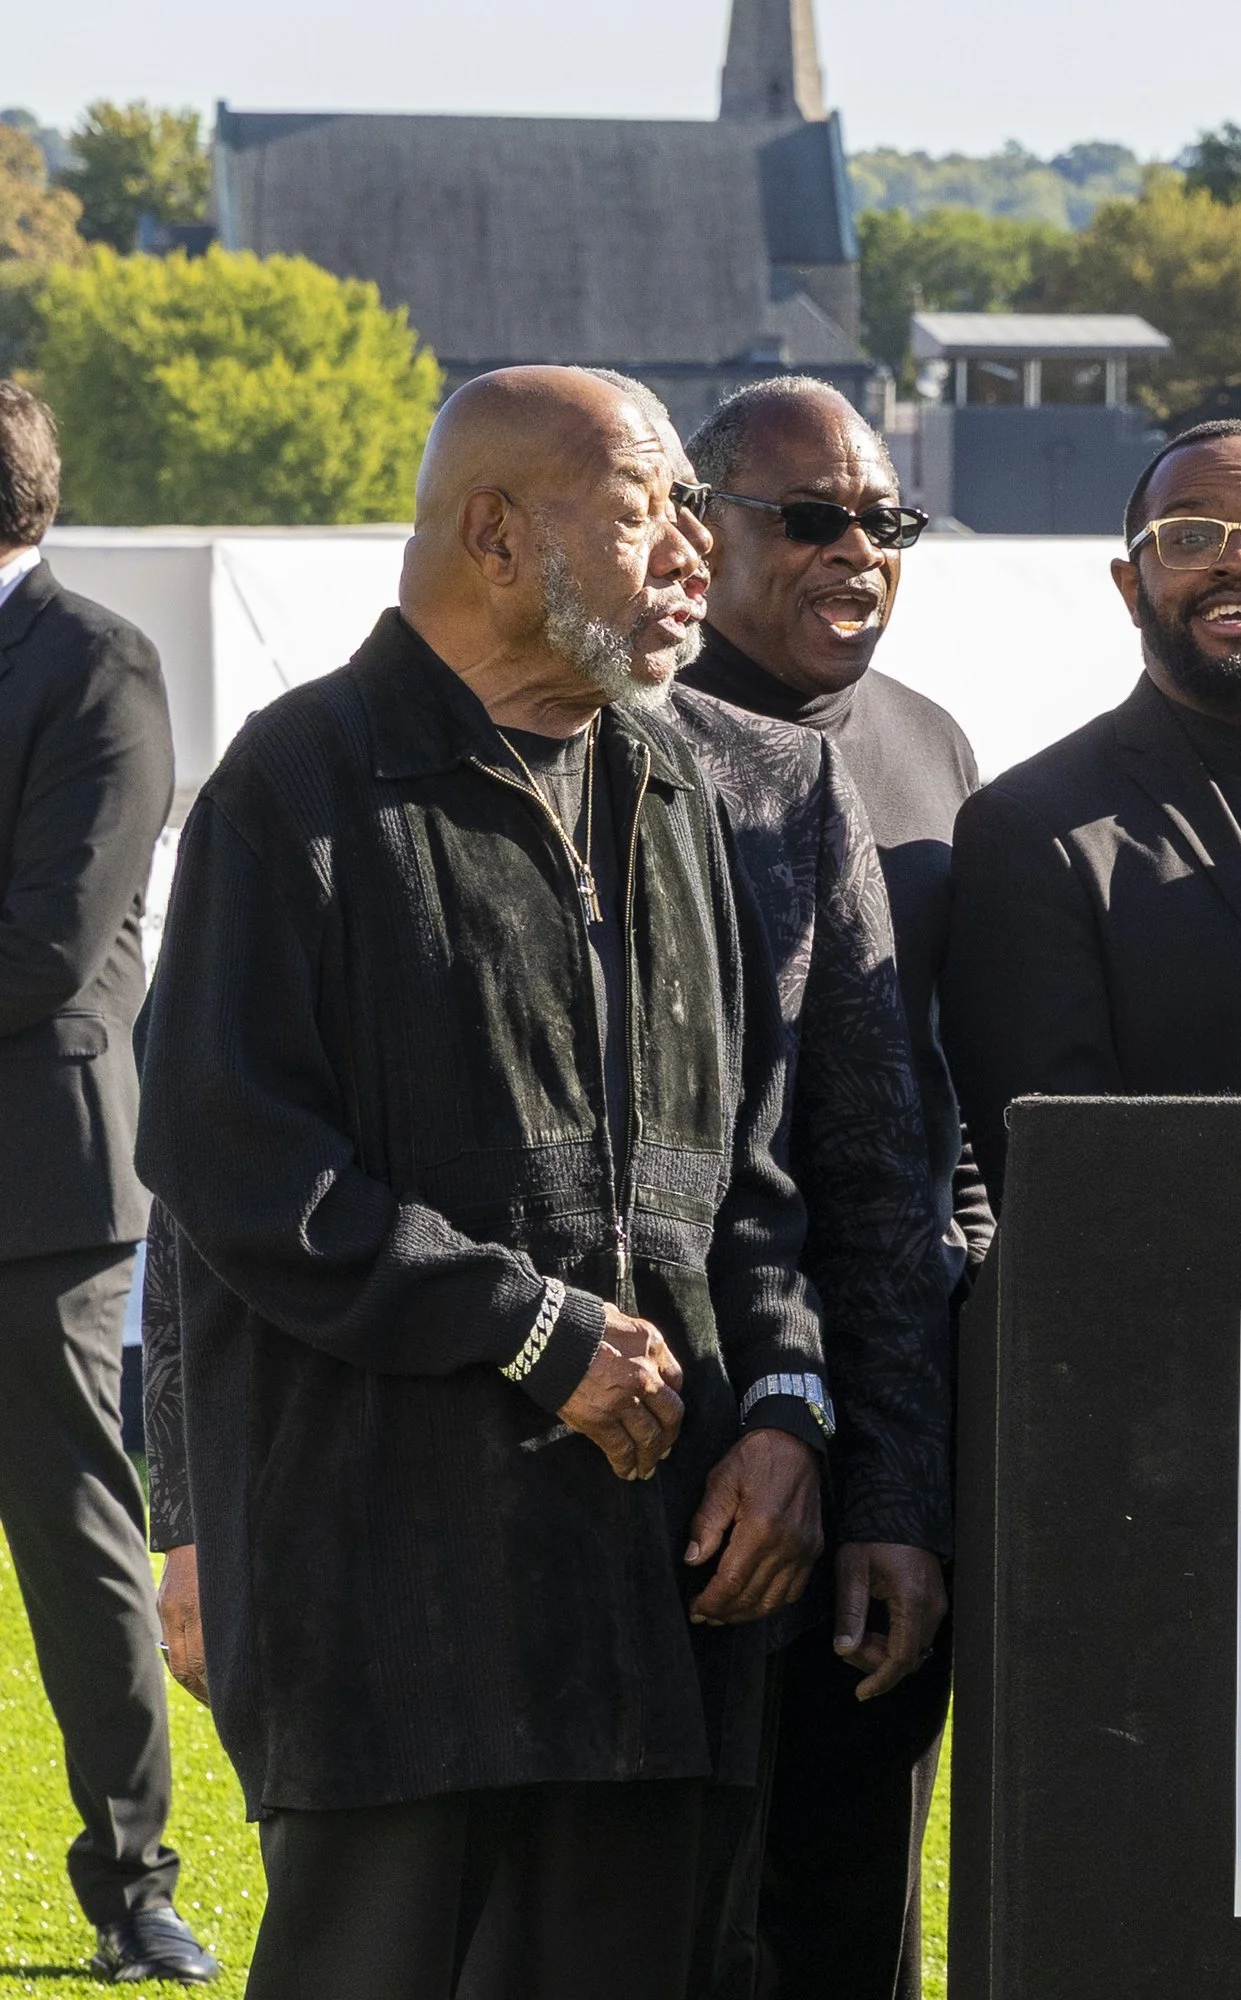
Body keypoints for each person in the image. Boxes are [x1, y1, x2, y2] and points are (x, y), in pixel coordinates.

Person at [136, 367, 831, 2000]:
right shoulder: (297, 788)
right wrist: (527, 1329)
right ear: (498, 532)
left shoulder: (678, 802)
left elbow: (753, 1182)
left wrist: (786, 1411)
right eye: (651, 502)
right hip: (390, 1621)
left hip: (655, 1615)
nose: (695, 545)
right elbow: (235, 1163)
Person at [679, 377, 966, 2000]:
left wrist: (902, 1487)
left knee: (855, 1910)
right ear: (695, 529)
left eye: (886, 520)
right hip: (679, 1423)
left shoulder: (928, 747)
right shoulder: (619, 749)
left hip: (884, 1408)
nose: (857, 549)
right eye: (810, 518)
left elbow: (935, 1130)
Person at [0, 384, 213, 1982]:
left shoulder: (96, 666)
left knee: (77, 1548)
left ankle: (134, 1885)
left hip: (32, 1185)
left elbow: (52, 952)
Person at [943, 420, 1241, 1201]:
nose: (1239, 561)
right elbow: (1056, 1171)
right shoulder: (1036, 825)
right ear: (1131, 588)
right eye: (1191, 536)